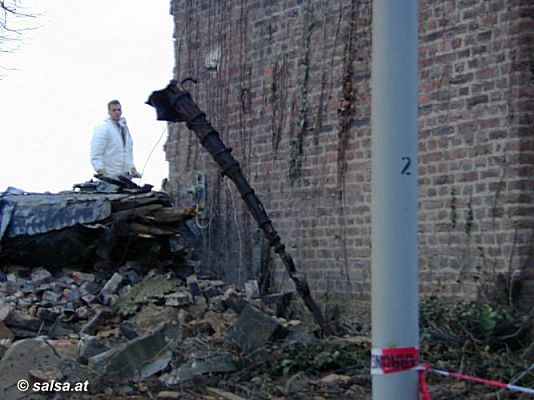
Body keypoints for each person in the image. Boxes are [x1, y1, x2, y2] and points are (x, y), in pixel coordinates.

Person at [90, 100, 141, 179]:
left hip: (125, 177)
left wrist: (132, 169)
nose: (117, 112)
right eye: (114, 110)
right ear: (109, 112)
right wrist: (101, 172)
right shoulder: (103, 128)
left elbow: (128, 153)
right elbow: (96, 154)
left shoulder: (124, 129)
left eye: (119, 110)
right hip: (110, 176)